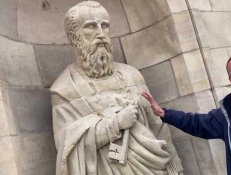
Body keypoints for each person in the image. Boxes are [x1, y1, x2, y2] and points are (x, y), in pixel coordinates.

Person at [50, 1, 183, 175]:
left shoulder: (131, 75)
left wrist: (176, 166)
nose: (100, 34)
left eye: (104, 26)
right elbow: (67, 146)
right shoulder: (65, 88)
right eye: (90, 27)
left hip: (152, 165)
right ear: (74, 36)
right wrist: (115, 124)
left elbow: (157, 126)